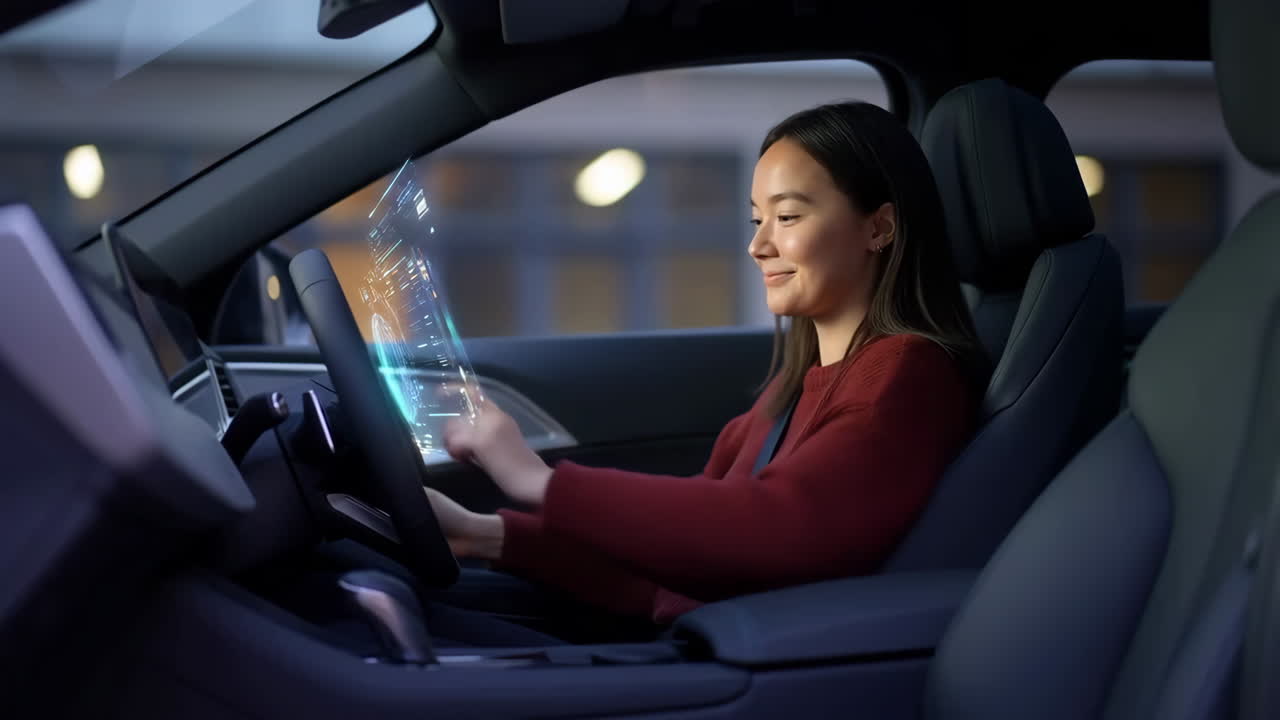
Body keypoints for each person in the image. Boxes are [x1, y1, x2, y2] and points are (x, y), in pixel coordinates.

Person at [424, 101, 986, 636]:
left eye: (787, 216)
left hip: (774, 669)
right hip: (706, 638)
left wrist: (537, 482)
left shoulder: (909, 374)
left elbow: (777, 528)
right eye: (756, 219)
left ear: (879, 228)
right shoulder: (789, 393)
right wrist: (483, 536)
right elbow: (685, 553)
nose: (758, 246)